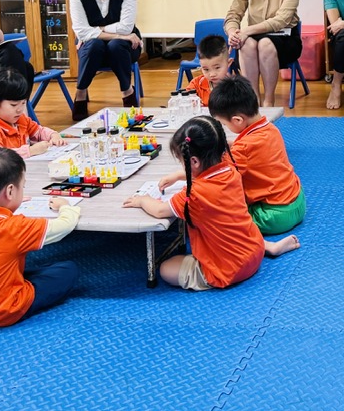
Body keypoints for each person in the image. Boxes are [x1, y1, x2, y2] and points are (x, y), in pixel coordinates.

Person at [124, 116, 297, 290]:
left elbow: (161, 211)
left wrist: (142, 200)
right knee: (236, 227)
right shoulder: (231, 170)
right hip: (254, 251)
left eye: (182, 161)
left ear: (194, 161)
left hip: (229, 270)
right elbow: (206, 174)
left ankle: (226, 269)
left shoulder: (195, 194)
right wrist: (178, 176)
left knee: (166, 268)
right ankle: (270, 247)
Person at [0, 147, 80, 326]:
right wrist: (65, 205)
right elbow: (65, 225)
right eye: (23, 186)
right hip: (5, 311)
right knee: (68, 270)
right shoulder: (17, 227)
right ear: (10, 191)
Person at [201, 76, 306, 236]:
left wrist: (180, 175)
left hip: (275, 215)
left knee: (216, 216)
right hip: (297, 202)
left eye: (224, 124)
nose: (225, 127)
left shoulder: (243, 148)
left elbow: (218, 174)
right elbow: (250, 150)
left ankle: (267, 245)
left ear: (237, 120)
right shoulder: (270, 129)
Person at [225, 0, 302, 107]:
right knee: (246, 44)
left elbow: (281, 20)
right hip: (254, 36)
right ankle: (253, 101)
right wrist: (233, 32)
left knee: (265, 44)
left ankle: (269, 101)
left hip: (285, 38)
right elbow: (234, 14)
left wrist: (246, 31)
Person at [68, 0, 143, 121]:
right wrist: (118, 34)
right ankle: (81, 92)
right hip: (93, 51)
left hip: (127, 47)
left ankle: (127, 91)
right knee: (94, 45)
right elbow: (82, 32)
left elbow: (126, 27)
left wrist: (98, 30)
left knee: (116, 45)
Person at [0, 68, 67, 159]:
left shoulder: (20, 119)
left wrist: (53, 135)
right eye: (13, 105)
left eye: (23, 103)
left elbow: (39, 131)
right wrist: (30, 151)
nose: (19, 110)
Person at [186, 35, 232, 106]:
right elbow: (186, 99)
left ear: (229, 63)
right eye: (206, 69)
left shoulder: (236, 88)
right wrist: (191, 102)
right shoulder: (196, 84)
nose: (212, 74)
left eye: (217, 68)